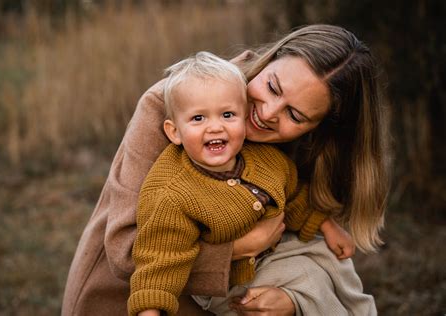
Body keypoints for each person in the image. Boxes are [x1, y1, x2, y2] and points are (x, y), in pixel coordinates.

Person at [62, 24, 389, 316]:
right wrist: (241, 247)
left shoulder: (291, 152)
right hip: (126, 295)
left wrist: (293, 300)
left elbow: (297, 214)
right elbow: (125, 251)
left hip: (238, 288)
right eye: (273, 87)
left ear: (318, 129)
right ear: (270, 59)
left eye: (295, 115)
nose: (269, 113)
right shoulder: (171, 103)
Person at [128, 51, 354, 316]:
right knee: (317, 284)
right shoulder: (172, 193)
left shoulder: (266, 159)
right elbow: (158, 261)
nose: (215, 127)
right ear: (174, 132)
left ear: (244, 115)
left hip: (268, 259)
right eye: (198, 118)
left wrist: (326, 225)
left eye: (227, 115)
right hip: (223, 285)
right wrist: (150, 312)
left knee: (335, 267)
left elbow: (293, 197)